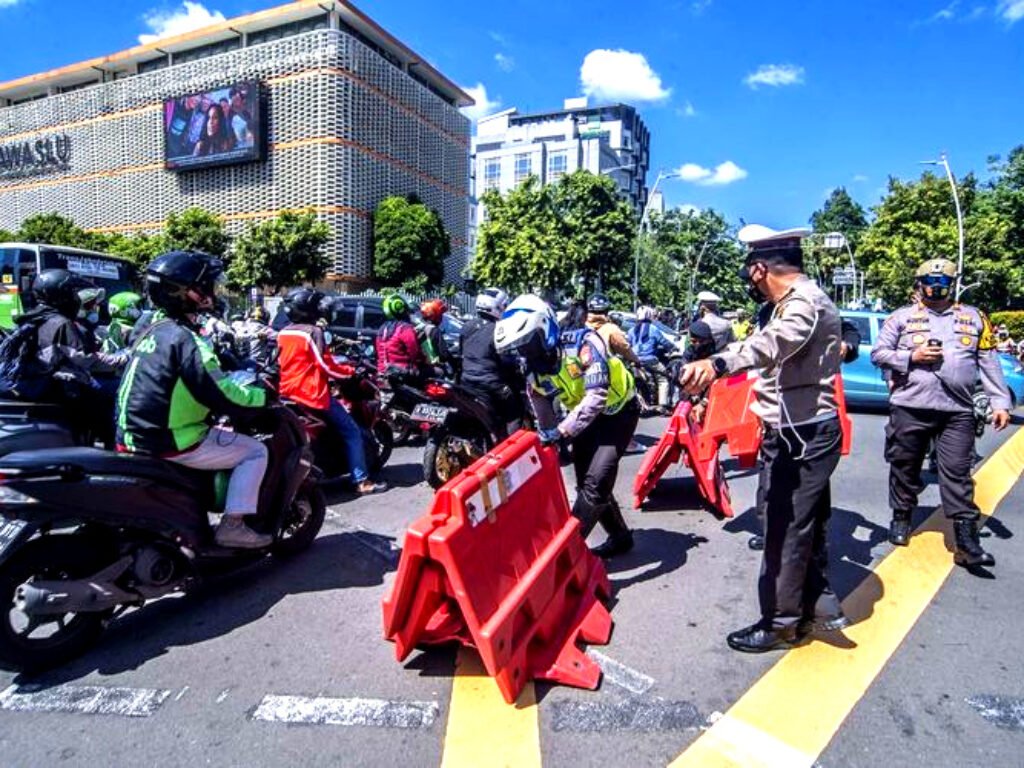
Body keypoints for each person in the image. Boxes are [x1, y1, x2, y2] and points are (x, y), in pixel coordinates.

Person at [680, 224, 847, 653]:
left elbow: (772, 344)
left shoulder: (802, 304)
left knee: (784, 530)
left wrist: (717, 364)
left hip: (801, 434)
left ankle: (780, 624)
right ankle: (817, 606)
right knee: (803, 526)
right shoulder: (792, 302)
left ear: (759, 269)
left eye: (748, 272)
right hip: (799, 429)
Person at [115, 251, 271, 549]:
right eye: (206, 285)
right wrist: (264, 397)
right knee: (255, 451)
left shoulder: (151, 328)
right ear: (186, 292)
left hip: (131, 434)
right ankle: (233, 526)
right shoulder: (187, 341)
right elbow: (224, 396)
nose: (212, 291)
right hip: (168, 439)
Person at [871, 257, 1011, 569]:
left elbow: (988, 361)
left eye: (943, 282)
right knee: (905, 466)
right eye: (930, 282)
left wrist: (1000, 402)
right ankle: (902, 515)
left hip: (957, 410)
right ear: (919, 285)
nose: (936, 287)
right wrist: (912, 356)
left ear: (952, 284)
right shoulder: (901, 318)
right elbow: (879, 354)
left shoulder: (973, 318)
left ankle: (966, 541)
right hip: (910, 406)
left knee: (958, 472)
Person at [495, 295, 640, 559]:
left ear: (546, 330)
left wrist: (562, 432)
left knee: (596, 481)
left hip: (618, 411)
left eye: (528, 344)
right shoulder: (533, 368)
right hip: (583, 418)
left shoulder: (584, 343)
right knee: (587, 483)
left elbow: (596, 396)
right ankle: (620, 537)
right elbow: (539, 398)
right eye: (518, 348)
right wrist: (550, 435)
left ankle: (565, 553)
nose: (526, 353)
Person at [276, 288, 386, 495]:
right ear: (309, 309)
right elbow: (324, 365)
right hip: (312, 394)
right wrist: (348, 373)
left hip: (288, 391)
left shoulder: (285, 332)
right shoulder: (312, 332)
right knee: (352, 432)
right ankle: (361, 481)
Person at [459, 287, 523, 437]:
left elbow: (462, 352)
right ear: (497, 307)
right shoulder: (499, 329)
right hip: (491, 384)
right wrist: (518, 364)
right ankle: (510, 445)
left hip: (467, 381)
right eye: (504, 305)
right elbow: (506, 360)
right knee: (515, 411)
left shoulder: (466, 326)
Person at [628, 305, 676, 409]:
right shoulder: (653, 329)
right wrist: (673, 348)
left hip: (635, 360)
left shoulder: (632, 330)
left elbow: (628, 344)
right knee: (663, 378)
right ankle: (663, 405)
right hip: (650, 360)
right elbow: (664, 342)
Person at [375, 294, 427, 379]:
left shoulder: (382, 329)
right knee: (439, 372)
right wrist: (424, 361)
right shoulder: (405, 328)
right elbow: (415, 353)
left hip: (383, 372)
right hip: (402, 372)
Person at [584, 294, 641, 366]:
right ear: (606, 311)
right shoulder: (611, 329)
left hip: (580, 369)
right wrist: (636, 360)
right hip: (603, 369)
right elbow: (624, 348)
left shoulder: (581, 326)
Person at [418, 299, 454, 372]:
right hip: (432, 368)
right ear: (435, 314)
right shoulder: (434, 330)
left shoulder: (419, 327)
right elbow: (444, 355)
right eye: (440, 314)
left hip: (420, 367)